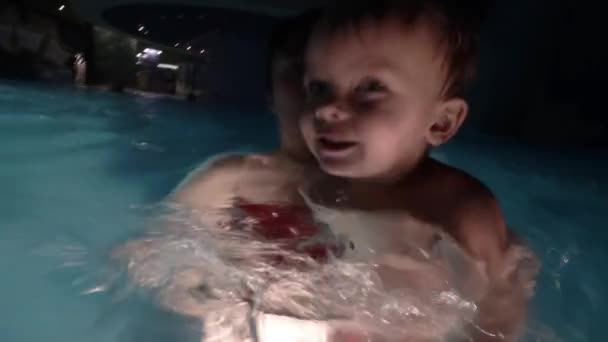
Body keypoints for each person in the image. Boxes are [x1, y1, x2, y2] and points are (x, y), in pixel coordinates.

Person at [297, 0, 539, 340]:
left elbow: (498, 308)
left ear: (440, 122)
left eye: (371, 88)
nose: (327, 109)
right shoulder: (317, 185)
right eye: (318, 87)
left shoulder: (458, 207)